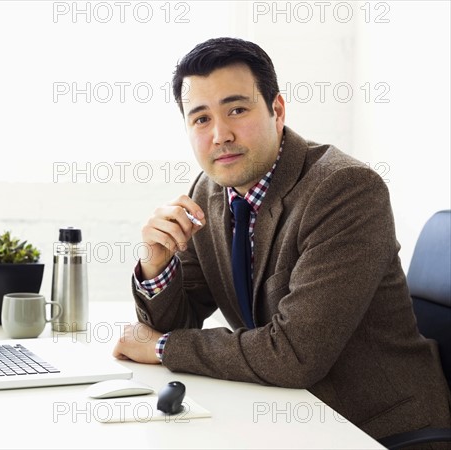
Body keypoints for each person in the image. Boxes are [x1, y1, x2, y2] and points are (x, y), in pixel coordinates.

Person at [112, 37, 451, 440]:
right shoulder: (210, 189)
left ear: (277, 110)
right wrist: (156, 262)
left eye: (237, 109)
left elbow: (294, 354)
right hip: (285, 413)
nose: (220, 134)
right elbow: (176, 321)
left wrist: (163, 348)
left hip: (379, 427)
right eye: (201, 119)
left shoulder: (345, 190)